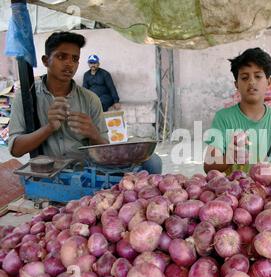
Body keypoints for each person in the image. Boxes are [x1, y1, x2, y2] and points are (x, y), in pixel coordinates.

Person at [8, 31, 162, 174]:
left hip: (88, 170)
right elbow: (16, 149)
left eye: (75, 59)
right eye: (61, 57)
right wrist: (49, 128)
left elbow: (104, 148)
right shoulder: (26, 97)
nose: (69, 64)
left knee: (152, 162)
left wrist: (94, 134)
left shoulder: (90, 99)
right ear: (46, 61)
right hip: (49, 171)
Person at [203, 47, 271, 175]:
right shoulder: (223, 118)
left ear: (268, 81)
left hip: (268, 193)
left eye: (258, 76)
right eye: (244, 78)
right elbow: (208, 167)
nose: (251, 82)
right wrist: (229, 157)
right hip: (232, 192)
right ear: (236, 84)